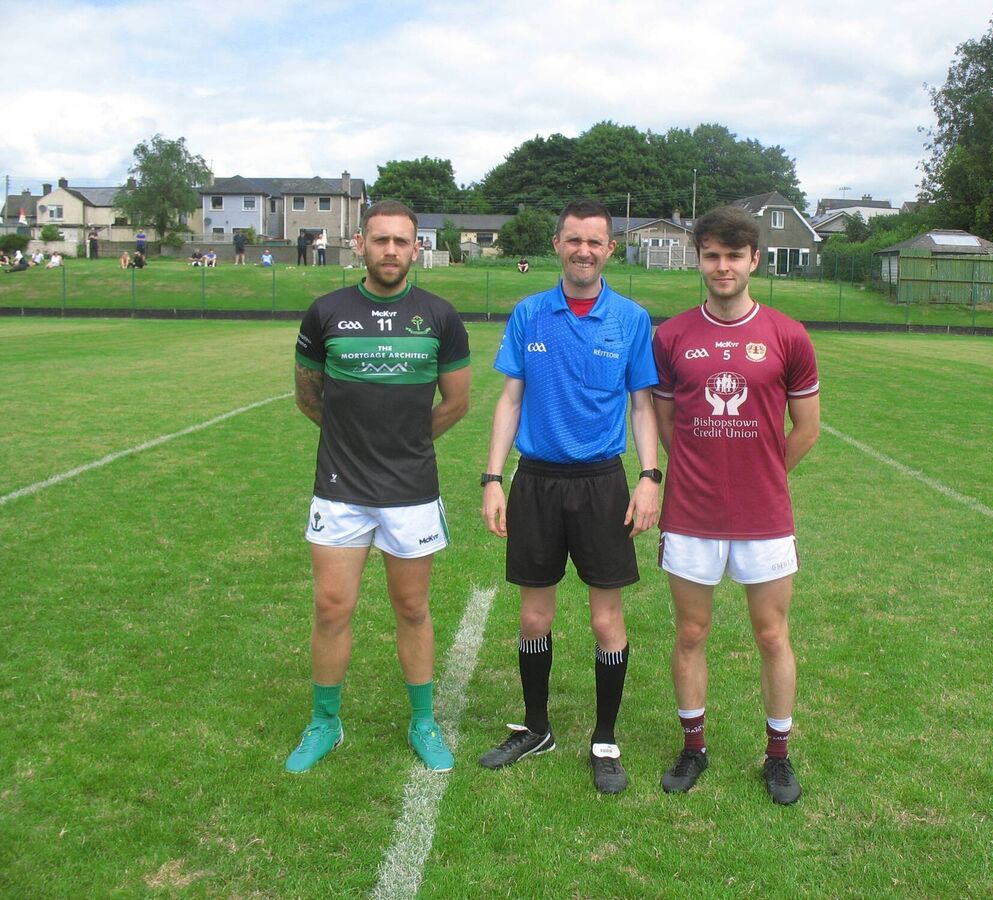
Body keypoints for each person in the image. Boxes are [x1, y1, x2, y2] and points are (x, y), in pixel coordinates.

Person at [479, 200, 660, 794]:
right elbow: (510, 399)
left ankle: (604, 739)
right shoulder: (529, 313)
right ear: (556, 244)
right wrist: (492, 478)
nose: (584, 250)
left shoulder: (632, 319)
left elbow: (642, 406)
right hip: (535, 481)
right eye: (573, 239)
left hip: (602, 484)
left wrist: (650, 477)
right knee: (534, 614)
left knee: (607, 619)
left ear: (611, 249)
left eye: (596, 242)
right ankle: (536, 727)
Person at [286, 199, 471, 775]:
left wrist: (405, 445)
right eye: (380, 240)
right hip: (340, 489)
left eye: (401, 241)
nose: (390, 250)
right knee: (331, 606)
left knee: (412, 607)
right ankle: (325, 722)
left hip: (411, 491)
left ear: (416, 249)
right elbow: (307, 395)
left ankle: (422, 722)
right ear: (361, 245)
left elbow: (457, 402)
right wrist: (352, 440)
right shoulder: (326, 312)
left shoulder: (439, 316)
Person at [651, 206, 820, 806]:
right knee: (691, 631)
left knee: (772, 635)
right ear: (699, 260)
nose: (722, 267)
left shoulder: (787, 334)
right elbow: (667, 422)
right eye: (711, 256)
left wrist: (760, 474)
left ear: (755, 260)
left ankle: (778, 756)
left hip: (764, 516)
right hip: (691, 514)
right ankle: (694, 746)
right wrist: (702, 472)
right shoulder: (670, 336)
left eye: (733, 256)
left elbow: (806, 427)